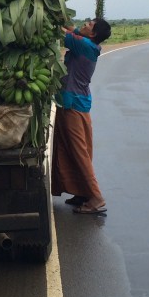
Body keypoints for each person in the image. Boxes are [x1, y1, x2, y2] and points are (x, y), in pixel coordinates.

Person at [51, 17, 112, 215]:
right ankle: (82, 192)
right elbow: (73, 28)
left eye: (89, 25)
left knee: (78, 151)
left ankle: (96, 197)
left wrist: (47, 18)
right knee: (71, 147)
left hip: (73, 104)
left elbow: (61, 33)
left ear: (93, 34)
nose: (84, 25)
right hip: (77, 103)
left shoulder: (83, 44)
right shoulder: (88, 43)